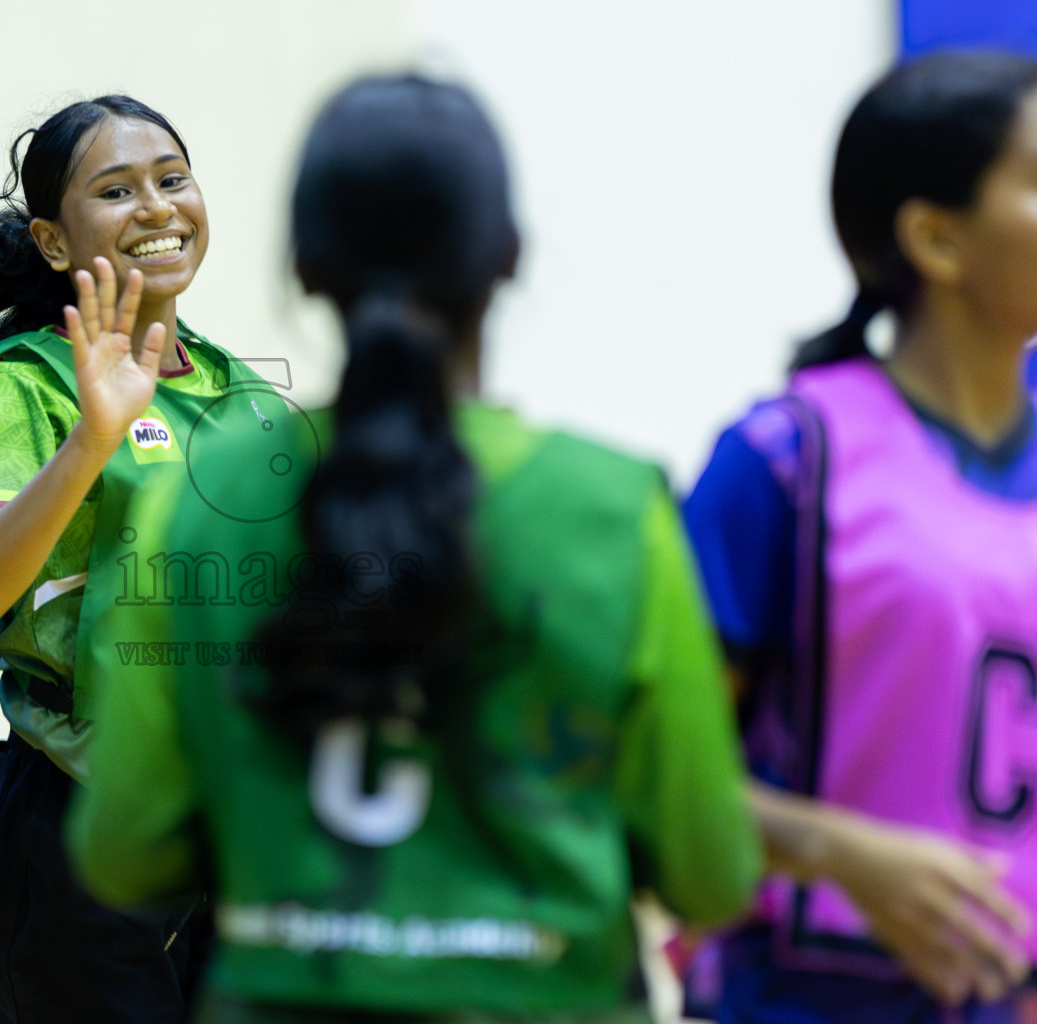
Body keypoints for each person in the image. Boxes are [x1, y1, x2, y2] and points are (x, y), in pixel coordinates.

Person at [65, 74, 762, 1024]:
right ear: (507, 258)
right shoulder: (613, 507)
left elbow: (124, 852)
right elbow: (710, 873)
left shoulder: (193, 504)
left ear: (305, 267)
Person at [681, 50, 1037, 1023]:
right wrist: (839, 852)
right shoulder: (784, 460)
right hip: (797, 998)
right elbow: (662, 783)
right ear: (935, 238)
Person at [0, 94, 260, 1024]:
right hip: (76, 816)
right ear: (54, 241)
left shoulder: (240, 390)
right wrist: (93, 442)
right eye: (116, 190)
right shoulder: (25, 386)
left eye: (172, 179)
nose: (156, 207)